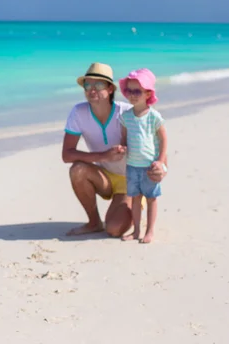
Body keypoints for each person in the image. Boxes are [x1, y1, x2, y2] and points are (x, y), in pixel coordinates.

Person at [61, 62, 167, 237]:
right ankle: (94, 222)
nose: (92, 89)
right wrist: (104, 156)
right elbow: (67, 154)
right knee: (77, 170)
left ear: (110, 89)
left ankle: (134, 203)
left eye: (99, 84)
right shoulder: (78, 112)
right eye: (88, 84)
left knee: (114, 229)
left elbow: (156, 144)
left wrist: (161, 168)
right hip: (104, 176)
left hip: (130, 179)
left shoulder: (127, 112)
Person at [118, 68, 168, 244]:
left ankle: (150, 231)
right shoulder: (125, 117)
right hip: (132, 166)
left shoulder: (154, 116)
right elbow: (124, 139)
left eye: (137, 91)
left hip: (149, 167)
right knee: (135, 199)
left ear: (148, 93)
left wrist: (161, 162)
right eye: (129, 91)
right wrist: (121, 149)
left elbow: (163, 140)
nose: (132, 95)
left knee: (151, 199)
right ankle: (136, 230)